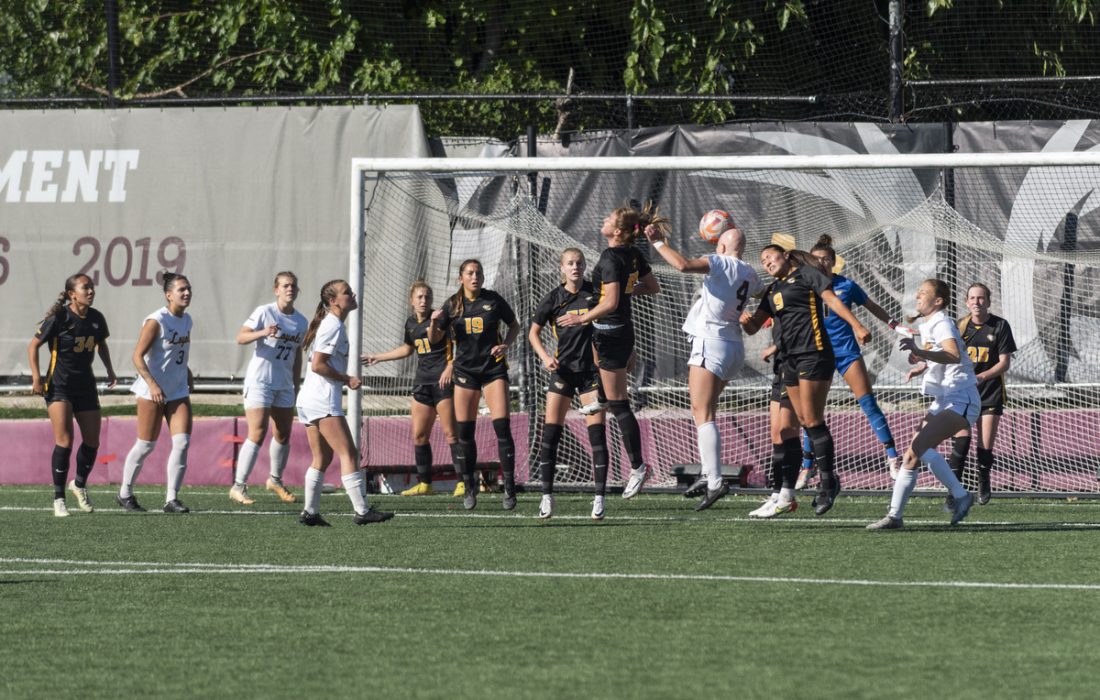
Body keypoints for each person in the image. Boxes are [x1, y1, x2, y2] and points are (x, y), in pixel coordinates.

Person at [742, 244, 871, 516]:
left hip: (814, 353)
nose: (767, 262)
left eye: (771, 256)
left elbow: (832, 300)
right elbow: (755, 326)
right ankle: (788, 492)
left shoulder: (806, 275)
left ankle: (827, 483)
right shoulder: (773, 291)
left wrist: (856, 325)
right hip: (788, 360)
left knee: (812, 420)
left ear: (785, 256)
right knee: (800, 423)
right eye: (763, 261)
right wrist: (744, 321)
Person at [643, 219, 762, 510]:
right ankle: (710, 474)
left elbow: (682, 265)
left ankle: (715, 480)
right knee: (705, 411)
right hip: (733, 346)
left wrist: (658, 241)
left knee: (702, 412)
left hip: (712, 341)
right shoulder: (750, 272)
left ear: (721, 245)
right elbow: (759, 293)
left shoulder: (719, 262)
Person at [558, 203, 662, 500]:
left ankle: (639, 467)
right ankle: (601, 398)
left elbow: (612, 302)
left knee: (620, 406)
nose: (602, 220)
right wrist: (621, 294)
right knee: (604, 385)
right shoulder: (633, 254)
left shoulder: (610, 257)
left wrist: (582, 317)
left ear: (617, 231)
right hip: (616, 332)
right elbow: (651, 286)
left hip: (612, 332)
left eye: (608, 218)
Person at [867, 279, 977, 529]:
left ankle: (960, 496)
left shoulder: (942, 321)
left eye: (924, 293)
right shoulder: (929, 324)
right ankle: (896, 516)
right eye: (918, 292)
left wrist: (922, 352)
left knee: (916, 449)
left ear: (938, 301)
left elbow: (953, 354)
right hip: (945, 398)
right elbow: (941, 355)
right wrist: (922, 364)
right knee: (912, 455)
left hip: (961, 397)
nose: (918, 296)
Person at [798, 235, 907, 486]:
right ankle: (807, 465)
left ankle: (892, 458)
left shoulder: (846, 286)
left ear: (834, 263)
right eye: (817, 259)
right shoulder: (805, 287)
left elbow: (871, 305)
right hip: (817, 356)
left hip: (846, 353)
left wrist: (892, 323)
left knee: (868, 403)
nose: (822, 263)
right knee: (811, 412)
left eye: (826, 259)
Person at [295, 280, 394, 526]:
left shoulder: (330, 324)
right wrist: (346, 378)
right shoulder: (333, 326)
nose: (352, 294)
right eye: (347, 292)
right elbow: (318, 364)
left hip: (309, 399)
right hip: (322, 400)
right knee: (348, 453)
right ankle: (362, 511)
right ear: (333, 301)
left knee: (322, 458)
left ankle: (310, 512)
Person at [430, 260, 520, 511]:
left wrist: (507, 344)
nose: (475, 277)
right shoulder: (452, 304)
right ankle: (469, 487)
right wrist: (434, 323)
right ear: (461, 278)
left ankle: (510, 487)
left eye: (478, 272)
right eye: (469, 273)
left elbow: (514, 325)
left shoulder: (493, 300)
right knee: (465, 434)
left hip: (493, 370)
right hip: (465, 373)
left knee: (502, 428)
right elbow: (435, 338)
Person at [529, 248, 610, 520]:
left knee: (597, 434)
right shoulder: (553, 298)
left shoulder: (594, 293)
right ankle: (546, 497)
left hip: (590, 373)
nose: (575, 267)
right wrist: (543, 357)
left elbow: (610, 319)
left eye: (579, 263)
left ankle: (599, 499)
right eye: (570, 263)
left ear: (585, 266)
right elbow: (533, 332)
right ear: (562, 268)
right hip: (563, 371)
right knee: (551, 434)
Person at [28, 273, 118, 517]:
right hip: (60, 386)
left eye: (91, 287)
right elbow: (33, 346)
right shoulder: (59, 317)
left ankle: (78, 484)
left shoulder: (96, 318)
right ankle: (59, 499)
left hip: (85, 386)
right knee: (65, 441)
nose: (90, 291)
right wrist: (37, 377)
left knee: (92, 441)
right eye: (85, 287)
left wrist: (109, 368)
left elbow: (101, 344)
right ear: (71, 293)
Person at [362, 281, 460, 497]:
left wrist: (450, 367)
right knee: (418, 435)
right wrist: (377, 357)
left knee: (451, 433)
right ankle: (425, 484)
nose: (423, 301)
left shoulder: (440, 317)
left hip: (442, 382)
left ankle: (463, 482)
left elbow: (448, 342)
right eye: (419, 297)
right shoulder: (410, 323)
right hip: (422, 383)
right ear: (411, 301)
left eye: (427, 297)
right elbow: (408, 349)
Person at [117, 273, 196, 514]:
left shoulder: (187, 319)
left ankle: (171, 499)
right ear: (168, 294)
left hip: (177, 390)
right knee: (146, 444)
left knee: (182, 442)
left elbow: (175, 354)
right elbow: (137, 356)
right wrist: (152, 384)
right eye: (181, 289)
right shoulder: (156, 320)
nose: (186, 293)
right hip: (152, 390)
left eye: (189, 289)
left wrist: (187, 372)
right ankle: (125, 493)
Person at [229, 271, 308, 505]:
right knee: (258, 432)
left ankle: (275, 479)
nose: (289, 289)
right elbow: (240, 337)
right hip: (260, 381)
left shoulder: (301, 321)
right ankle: (238, 486)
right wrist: (264, 332)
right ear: (276, 290)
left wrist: (296, 384)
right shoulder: (265, 312)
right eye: (285, 285)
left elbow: (297, 356)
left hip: (284, 383)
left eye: (293, 285)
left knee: (283, 433)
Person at [946, 282, 1016, 506]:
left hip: (990, 392)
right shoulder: (961, 327)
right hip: (964, 394)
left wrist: (983, 376)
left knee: (985, 447)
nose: (977, 302)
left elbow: (1004, 363)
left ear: (988, 301)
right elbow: (948, 355)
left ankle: (983, 480)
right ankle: (954, 490)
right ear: (966, 302)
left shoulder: (1000, 326)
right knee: (961, 442)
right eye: (973, 298)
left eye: (981, 298)